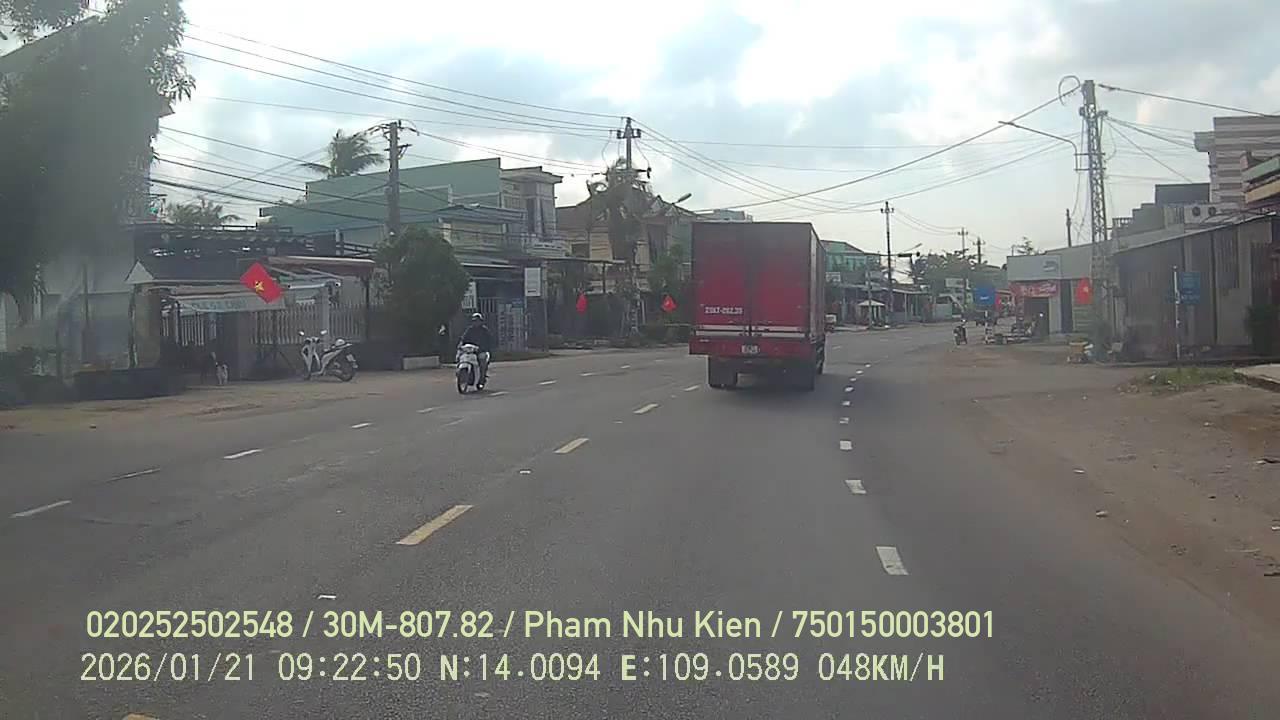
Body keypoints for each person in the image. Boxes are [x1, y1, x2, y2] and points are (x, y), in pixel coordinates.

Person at [458, 312, 493, 386]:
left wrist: (483, 348)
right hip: (470, 350)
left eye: (477, 321)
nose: (475, 322)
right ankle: (461, 374)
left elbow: (489, 341)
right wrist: (461, 345)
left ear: (481, 321)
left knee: (482, 360)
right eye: (474, 321)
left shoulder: (484, 330)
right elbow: (463, 339)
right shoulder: (469, 330)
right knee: (461, 357)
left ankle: (482, 378)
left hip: (481, 351)